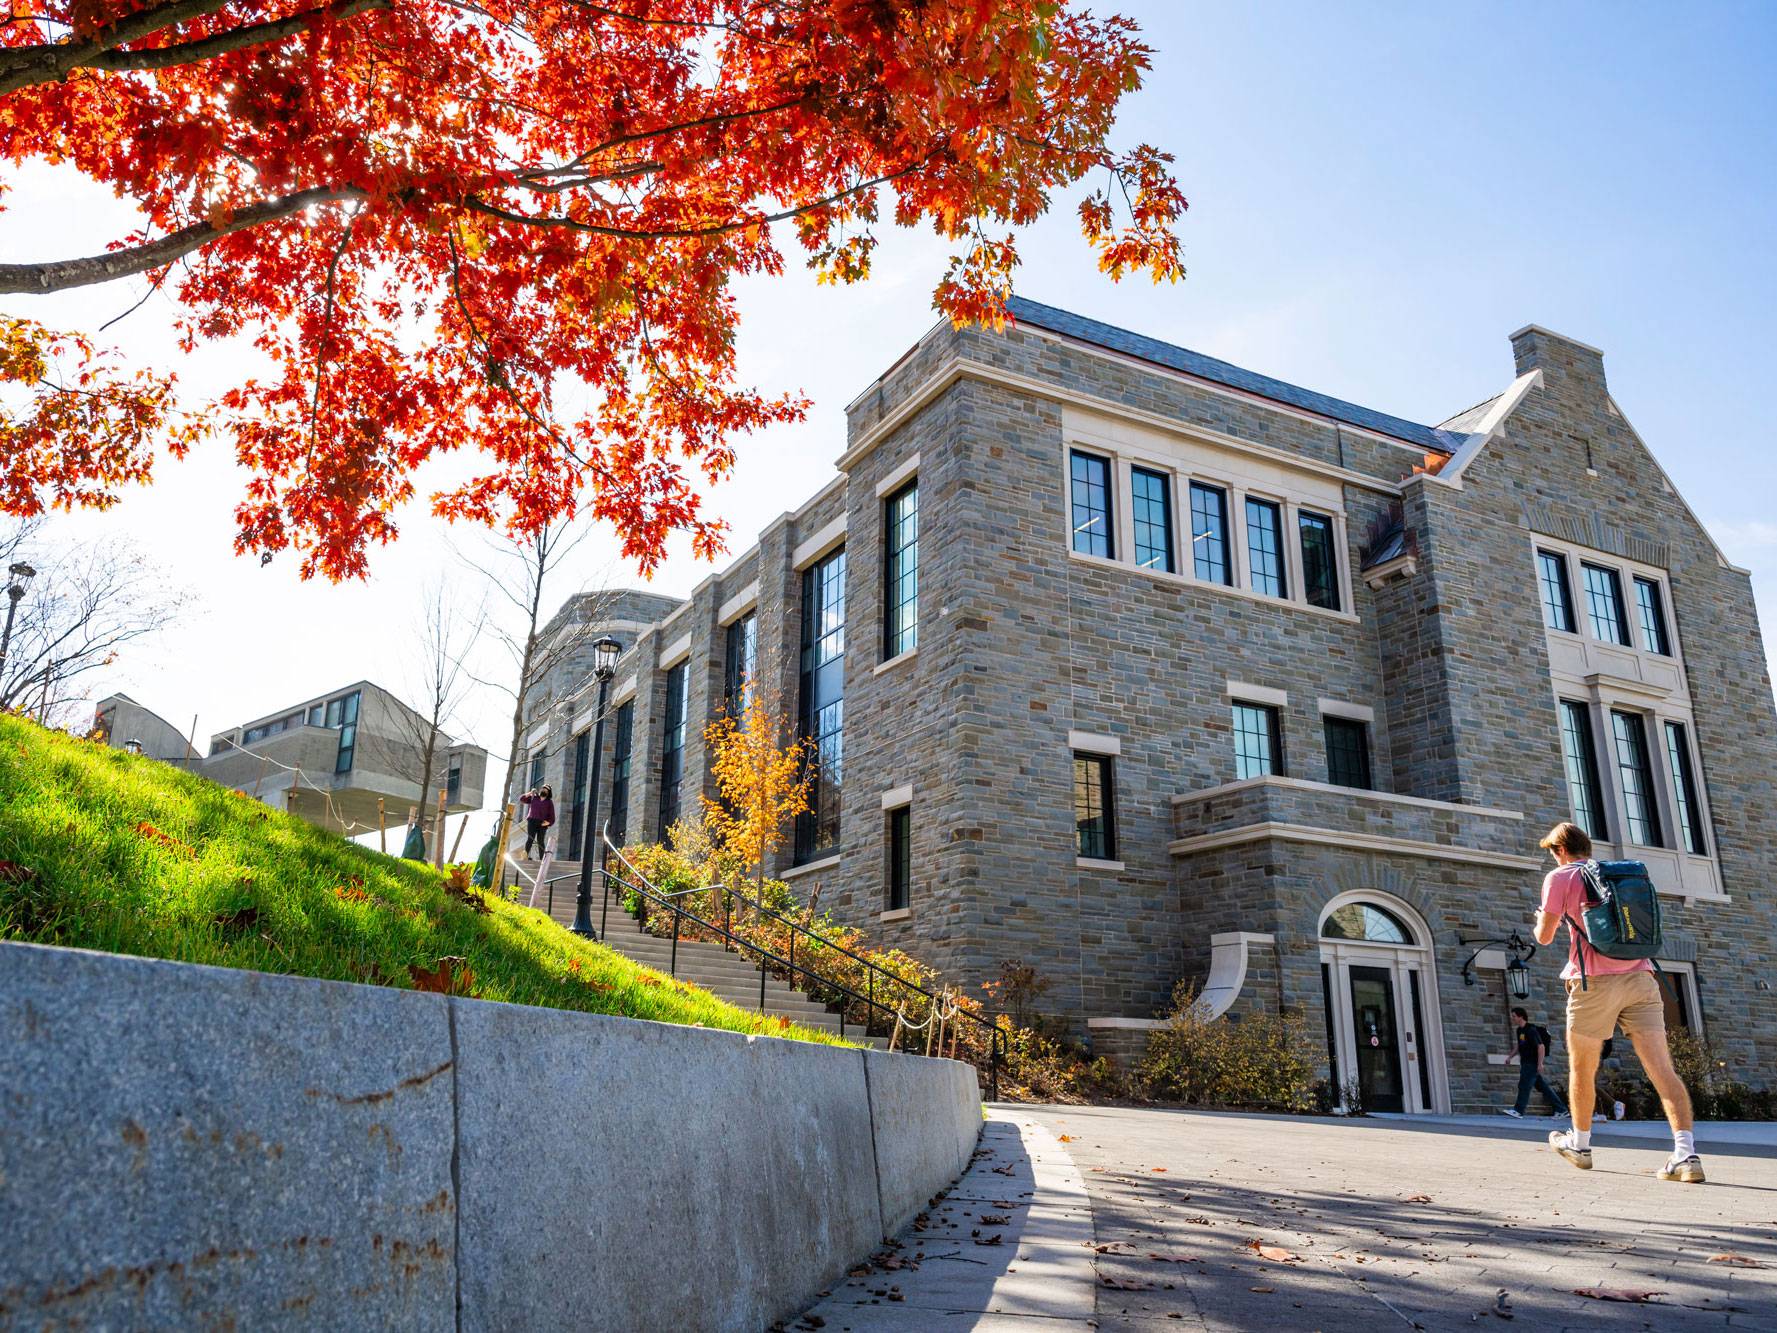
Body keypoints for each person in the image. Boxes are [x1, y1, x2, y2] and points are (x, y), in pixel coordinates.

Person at [1533, 821, 1703, 1183]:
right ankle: (1686, 1156)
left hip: (1592, 982)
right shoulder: (1617, 874)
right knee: (1663, 1070)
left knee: (1583, 1069)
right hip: (1642, 978)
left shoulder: (1560, 877)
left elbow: (1545, 937)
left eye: (1553, 853)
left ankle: (1579, 1144)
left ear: (1560, 850)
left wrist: (1540, 922)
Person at [1499, 1007, 1567, 1118]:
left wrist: (1540, 1063)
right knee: (1544, 1087)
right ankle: (1561, 1109)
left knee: (1524, 1086)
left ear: (1521, 1016)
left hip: (1532, 1063)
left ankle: (1518, 1110)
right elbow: (1519, 1045)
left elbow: (1541, 1046)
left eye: (1514, 1016)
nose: (1512, 1018)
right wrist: (1510, 1057)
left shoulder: (1530, 1030)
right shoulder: (1519, 1030)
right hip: (1525, 1062)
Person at [522, 784, 555, 858]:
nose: (544, 790)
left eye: (546, 790)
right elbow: (522, 799)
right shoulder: (534, 798)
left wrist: (548, 822)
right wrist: (530, 793)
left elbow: (552, 815)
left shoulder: (549, 802)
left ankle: (542, 859)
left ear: (548, 792)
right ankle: (525, 855)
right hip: (532, 821)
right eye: (543, 789)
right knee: (530, 838)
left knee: (540, 841)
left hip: (542, 823)